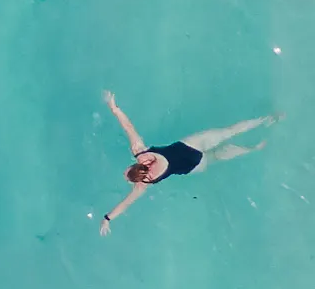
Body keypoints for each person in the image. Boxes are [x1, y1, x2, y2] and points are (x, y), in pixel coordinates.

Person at [95, 90, 279, 233]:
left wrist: (107, 219)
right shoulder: (140, 152)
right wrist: (114, 108)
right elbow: (128, 127)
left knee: (217, 156)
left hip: (192, 165)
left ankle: (254, 147)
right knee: (229, 132)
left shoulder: (143, 185)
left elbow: (126, 203)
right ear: (133, 166)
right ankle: (266, 119)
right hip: (190, 146)